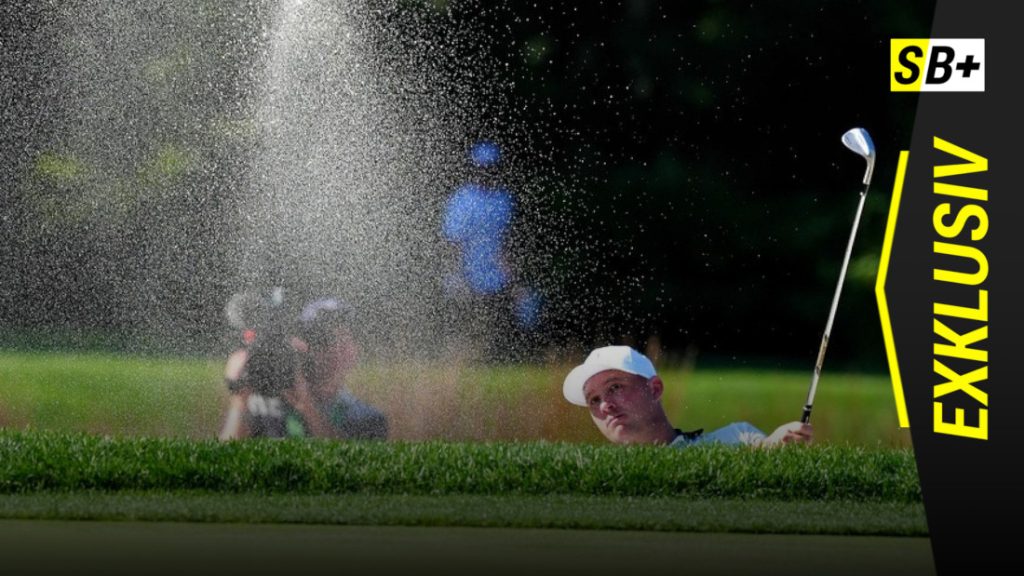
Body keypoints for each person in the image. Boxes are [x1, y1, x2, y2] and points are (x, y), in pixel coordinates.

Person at [562, 345, 812, 447]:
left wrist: (779, 444)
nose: (604, 405)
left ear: (655, 389)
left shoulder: (737, 439)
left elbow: (765, 452)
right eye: (593, 399)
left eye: (615, 387)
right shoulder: (588, 469)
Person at [283, 297, 389, 440]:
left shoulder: (368, 419)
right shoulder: (272, 409)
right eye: (319, 338)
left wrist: (306, 406)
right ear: (299, 346)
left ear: (353, 351)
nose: (334, 348)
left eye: (342, 339)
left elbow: (343, 458)